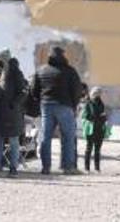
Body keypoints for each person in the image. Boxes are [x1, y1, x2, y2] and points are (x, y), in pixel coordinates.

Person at [31, 46, 83, 175]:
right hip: (65, 106)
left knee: (45, 137)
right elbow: (77, 90)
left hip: (46, 106)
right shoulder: (70, 71)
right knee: (67, 138)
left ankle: (46, 167)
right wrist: (73, 105)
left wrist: (41, 99)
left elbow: (33, 90)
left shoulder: (41, 70)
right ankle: (67, 167)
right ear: (63, 56)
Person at [0, 50, 26, 177]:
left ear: (7, 58)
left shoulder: (15, 72)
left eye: (1, 58)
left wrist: (13, 104)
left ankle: (13, 168)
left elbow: (23, 92)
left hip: (11, 113)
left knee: (13, 141)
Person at [82, 86, 109, 172]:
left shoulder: (101, 103)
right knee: (89, 148)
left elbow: (104, 115)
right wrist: (98, 117)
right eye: (99, 94)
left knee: (97, 149)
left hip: (100, 128)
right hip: (91, 129)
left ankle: (97, 168)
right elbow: (86, 116)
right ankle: (87, 168)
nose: (99, 96)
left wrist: (103, 118)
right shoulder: (88, 103)